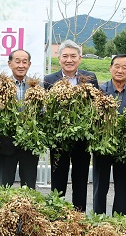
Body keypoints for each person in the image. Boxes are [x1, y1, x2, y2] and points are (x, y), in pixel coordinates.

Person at [42, 40, 99, 211]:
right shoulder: (49, 80)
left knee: (80, 178)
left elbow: (96, 105)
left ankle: (78, 215)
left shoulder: (89, 78)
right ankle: (56, 214)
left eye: (73, 56)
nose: (69, 60)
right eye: (65, 56)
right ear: (59, 58)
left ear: (79, 58)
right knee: (58, 177)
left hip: (82, 138)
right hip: (59, 139)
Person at [91, 54, 126, 215]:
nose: (120, 70)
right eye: (116, 66)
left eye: (124, 67)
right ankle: (98, 220)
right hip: (102, 146)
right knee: (100, 185)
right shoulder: (99, 92)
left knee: (123, 187)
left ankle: (119, 221)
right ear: (110, 68)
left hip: (125, 149)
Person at [0, 49, 39, 189]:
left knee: (29, 185)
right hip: (6, 143)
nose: (21, 65)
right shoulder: (0, 86)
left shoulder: (36, 85)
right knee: (4, 186)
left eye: (24, 62)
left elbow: (42, 112)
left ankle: (27, 210)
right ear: (10, 64)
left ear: (29, 64)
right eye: (17, 61)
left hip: (29, 144)